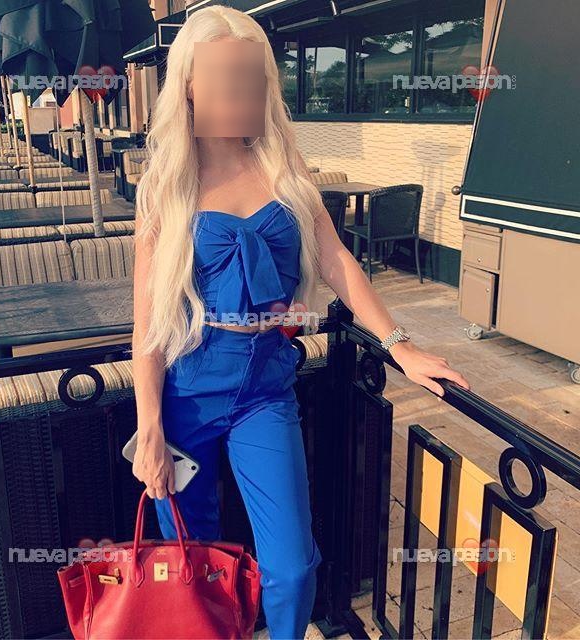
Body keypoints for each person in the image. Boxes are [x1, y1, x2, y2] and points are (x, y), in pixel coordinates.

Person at [131, 5, 470, 638]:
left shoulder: (285, 170)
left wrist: (399, 344)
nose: (241, 93)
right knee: (191, 559)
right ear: (189, 86)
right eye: (224, 77)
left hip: (265, 388)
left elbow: (338, 261)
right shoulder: (165, 187)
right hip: (187, 391)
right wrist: (148, 424)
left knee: (291, 566)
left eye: (252, 78)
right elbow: (147, 324)